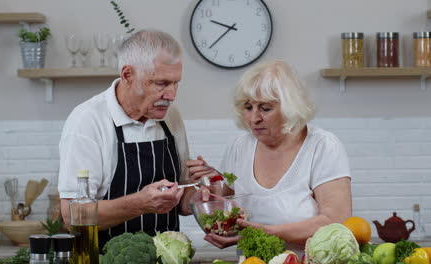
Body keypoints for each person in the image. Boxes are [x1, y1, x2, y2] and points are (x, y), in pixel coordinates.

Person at [186, 60, 352, 255]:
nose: (254, 118)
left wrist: (269, 232)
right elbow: (228, 211)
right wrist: (212, 188)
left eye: (265, 108)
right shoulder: (240, 146)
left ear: (291, 107)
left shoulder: (322, 146)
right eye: (248, 107)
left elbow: (337, 221)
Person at [58, 29, 194, 250]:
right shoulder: (88, 121)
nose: (171, 95)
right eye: (161, 83)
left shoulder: (171, 117)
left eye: (175, 83)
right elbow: (73, 215)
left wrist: (203, 194)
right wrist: (139, 204)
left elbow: (183, 200)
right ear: (128, 75)